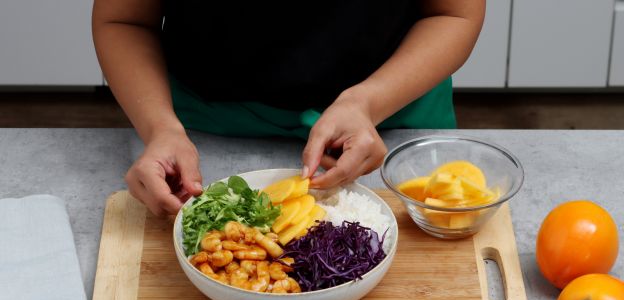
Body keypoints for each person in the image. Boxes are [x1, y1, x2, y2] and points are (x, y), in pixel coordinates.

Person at [92, 0, 485, 216]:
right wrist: (162, 130)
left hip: (389, 117)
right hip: (200, 126)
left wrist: (366, 102)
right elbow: (123, 20)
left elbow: (454, 12)